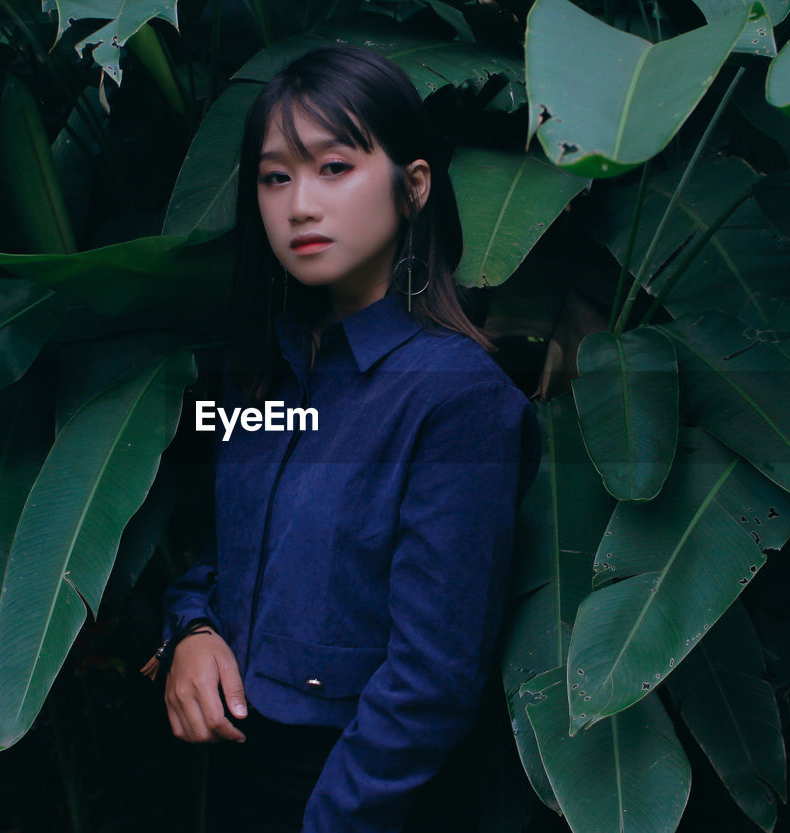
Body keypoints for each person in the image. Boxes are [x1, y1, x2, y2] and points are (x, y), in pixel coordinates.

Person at [152, 45, 540, 833]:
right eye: (274, 176)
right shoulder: (263, 374)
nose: (298, 205)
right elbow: (227, 558)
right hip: (231, 773)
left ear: (415, 186)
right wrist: (191, 628)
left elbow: (432, 677)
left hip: (359, 791)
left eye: (333, 167)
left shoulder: (456, 399)